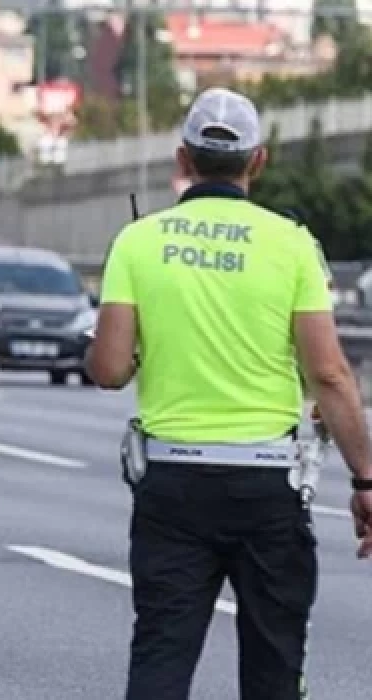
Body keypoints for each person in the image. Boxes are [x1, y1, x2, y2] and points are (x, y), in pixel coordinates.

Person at [88, 87, 372, 700]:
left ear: (184, 158)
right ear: (259, 161)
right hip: (266, 490)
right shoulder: (292, 244)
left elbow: (109, 369)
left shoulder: (139, 242)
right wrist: (366, 481)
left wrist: (131, 348)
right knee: (274, 667)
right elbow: (329, 376)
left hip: (172, 487)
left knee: (161, 657)